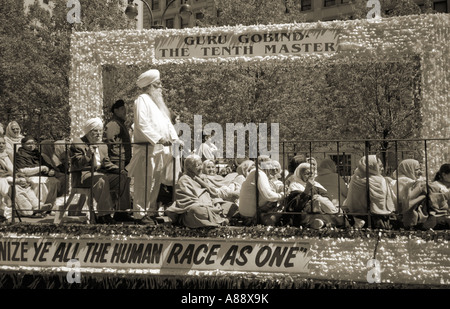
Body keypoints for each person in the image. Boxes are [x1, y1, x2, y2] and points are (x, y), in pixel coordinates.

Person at [126, 69, 182, 225]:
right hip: (146, 149)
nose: (161, 87)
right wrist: (159, 139)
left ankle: (150, 212)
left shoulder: (158, 104)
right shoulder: (142, 100)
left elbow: (167, 125)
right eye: (158, 84)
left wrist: (175, 139)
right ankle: (140, 214)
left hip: (159, 150)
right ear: (150, 86)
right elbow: (142, 123)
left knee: (155, 183)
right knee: (144, 183)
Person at [70, 117, 133, 224]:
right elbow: (76, 165)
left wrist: (120, 170)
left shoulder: (102, 145)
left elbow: (107, 163)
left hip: (99, 175)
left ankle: (121, 212)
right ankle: (104, 215)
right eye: (96, 131)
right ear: (88, 132)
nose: (99, 134)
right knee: (101, 179)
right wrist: (87, 156)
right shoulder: (77, 143)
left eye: (100, 130)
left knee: (123, 177)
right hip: (83, 176)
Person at [165, 155, 230, 228]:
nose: (201, 168)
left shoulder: (200, 178)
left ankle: (216, 217)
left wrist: (216, 203)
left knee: (230, 206)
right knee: (197, 211)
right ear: (189, 168)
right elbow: (187, 201)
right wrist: (206, 206)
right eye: (198, 165)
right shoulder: (184, 180)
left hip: (211, 205)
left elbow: (212, 194)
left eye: (201, 164)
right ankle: (217, 219)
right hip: (196, 209)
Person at [342, 155, 396, 229]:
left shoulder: (355, 177)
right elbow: (383, 202)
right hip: (378, 217)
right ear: (371, 166)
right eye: (380, 166)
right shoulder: (380, 180)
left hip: (356, 215)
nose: (382, 169)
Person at [0, 136, 45, 219]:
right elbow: (3, 173)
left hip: (9, 177)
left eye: (3, 143)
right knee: (16, 188)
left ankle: (37, 207)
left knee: (25, 185)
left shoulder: (6, 155)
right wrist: (15, 179)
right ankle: (27, 212)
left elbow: (14, 170)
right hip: (2, 179)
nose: (1, 145)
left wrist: (21, 176)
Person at [285, 162, 340, 229]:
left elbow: (327, 197)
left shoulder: (316, 184)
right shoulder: (295, 185)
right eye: (307, 174)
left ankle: (321, 222)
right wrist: (307, 190)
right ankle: (336, 215)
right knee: (317, 201)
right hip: (305, 214)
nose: (310, 176)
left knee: (319, 200)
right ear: (300, 174)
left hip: (321, 211)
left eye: (312, 173)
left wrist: (318, 198)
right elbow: (295, 205)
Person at [15, 136, 61, 210]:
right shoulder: (20, 154)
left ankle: (49, 206)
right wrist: (40, 168)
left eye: (33, 143)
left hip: (41, 176)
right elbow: (22, 170)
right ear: (23, 145)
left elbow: (46, 165)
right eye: (28, 144)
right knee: (39, 182)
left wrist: (50, 171)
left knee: (54, 181)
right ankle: (38, 206)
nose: (31, 145)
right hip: (27, 176)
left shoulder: (37, 154)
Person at [238, 159, 285, 226]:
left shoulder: (254, 173)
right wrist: (281, 195)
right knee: (276, 202)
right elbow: (268, 195)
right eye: (271, 168)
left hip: (245, 214)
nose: (272, 171)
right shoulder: (260, 173)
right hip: (253, 216)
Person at [105, 99, 132, 171]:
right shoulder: (114, 124)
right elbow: (109, 140)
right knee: (120, 179)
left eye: (125, 109)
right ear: (116, 111)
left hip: (123, 159)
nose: (125, 111)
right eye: (122, 109)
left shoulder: (120, 124)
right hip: (117, 159)